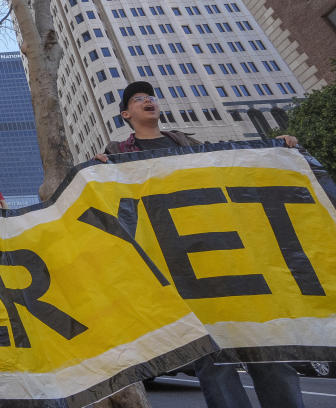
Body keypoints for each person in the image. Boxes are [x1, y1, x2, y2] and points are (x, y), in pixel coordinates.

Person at [97, 81, 304, 408]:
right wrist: (99, 170)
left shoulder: (187, 143)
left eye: (151, 96)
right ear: (127, 113)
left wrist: (273, 149)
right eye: (139, 99)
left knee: (268, 350)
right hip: (181, 267)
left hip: (228, 256)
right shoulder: (117, 154)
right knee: (213, 361)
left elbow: (229, 166)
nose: (148, 100)